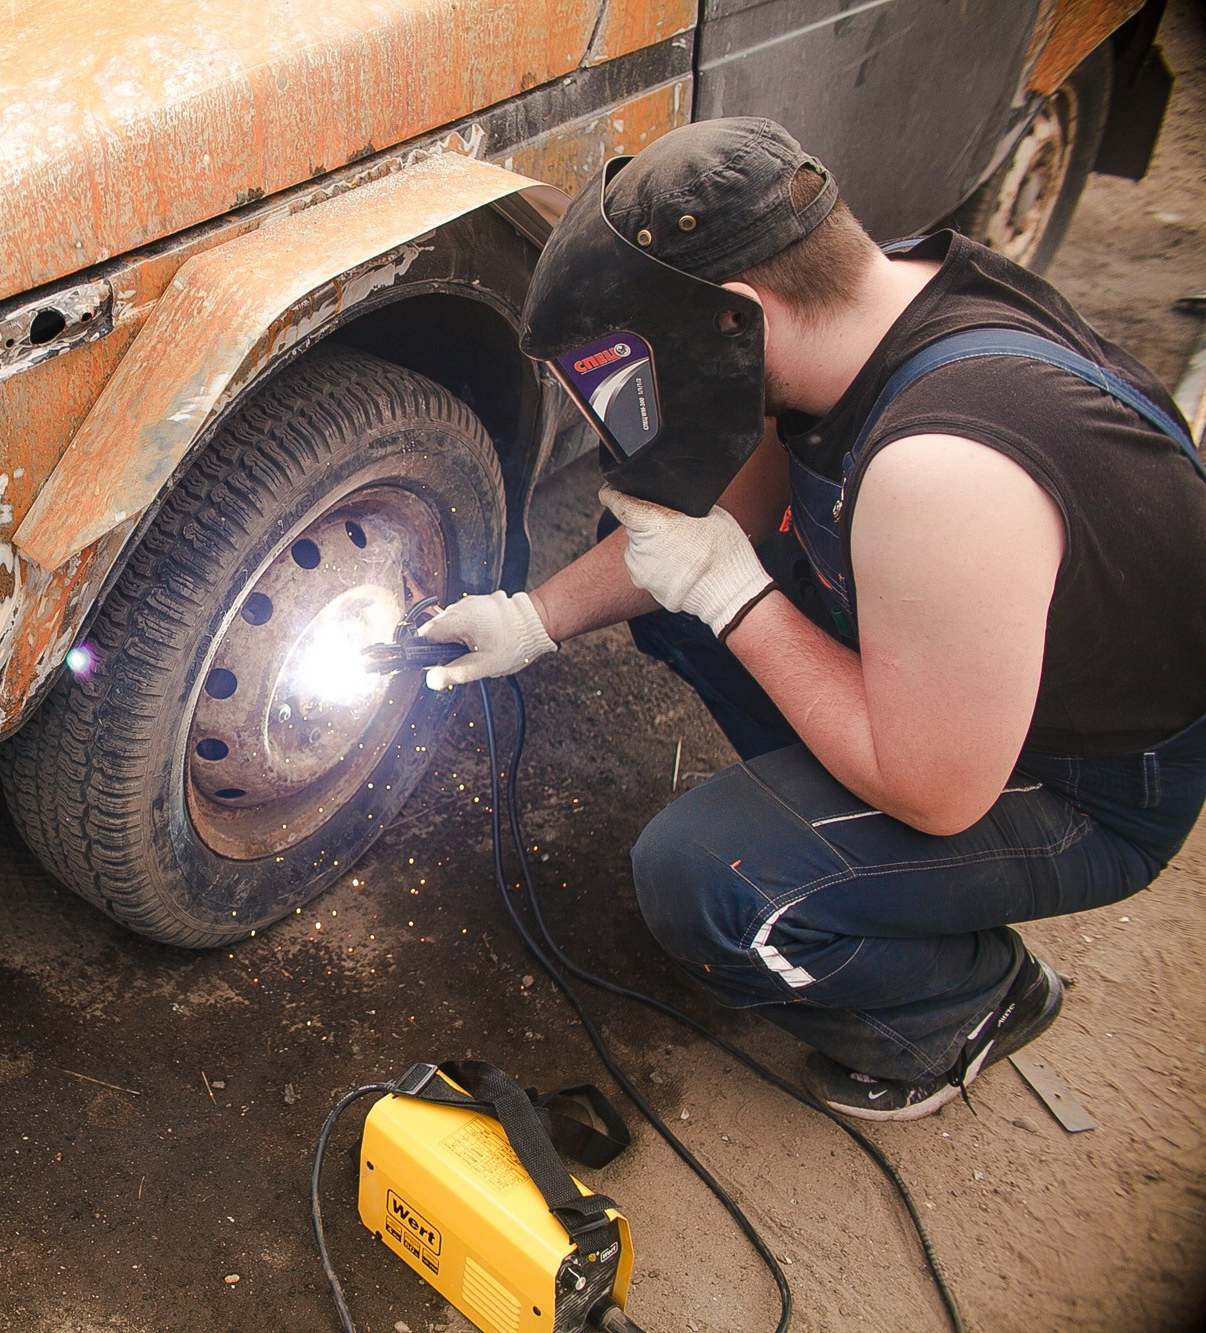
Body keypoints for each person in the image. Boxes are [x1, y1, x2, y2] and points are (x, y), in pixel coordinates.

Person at [420, 117, 1206, 1121]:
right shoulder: (866, 308)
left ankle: (956, 1005)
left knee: (708, 876)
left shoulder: (943, 470)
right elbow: (720, 520)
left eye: (631, 363)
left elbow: (935, 792)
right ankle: (837, 841)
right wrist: (527, 619)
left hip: (1083, 783)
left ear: (734, 317)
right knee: (680, 609)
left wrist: (733, 594)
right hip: (982, 693)